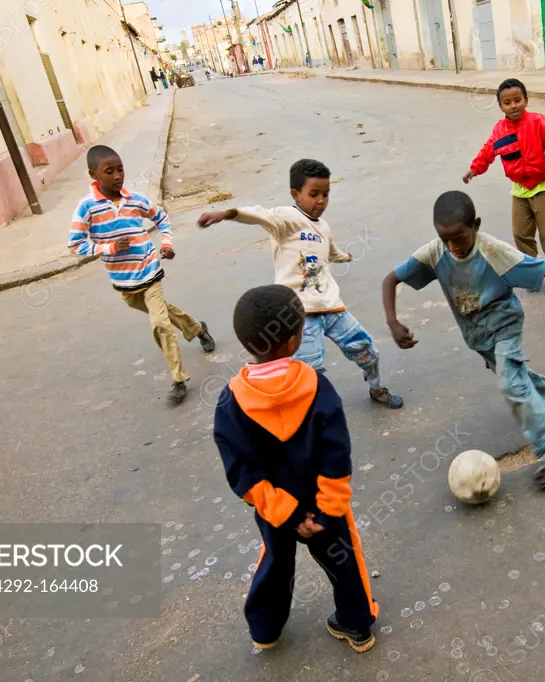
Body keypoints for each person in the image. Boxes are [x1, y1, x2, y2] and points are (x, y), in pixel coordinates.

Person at [381, 191, 545, 488]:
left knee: (511, 383)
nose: (452, 246)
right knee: (515, 374)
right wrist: (392, 321)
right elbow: (391, 279)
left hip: (505, 326)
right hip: (476, 335)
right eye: (444, 238)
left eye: (459, 237)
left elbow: (540, 267)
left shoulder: (492, 251)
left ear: (475, 225)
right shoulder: (435, 252)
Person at [214, 284, 379, 652]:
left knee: (275, 562)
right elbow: (337, 454)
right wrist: (327, 509)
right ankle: (357, 627)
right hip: (324, 506)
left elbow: (240, 473)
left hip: (275, 511)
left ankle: (265, 630)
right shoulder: (317, 386)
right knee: (344, 561)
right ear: (293, 341)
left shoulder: (231, 401)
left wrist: (286, 513)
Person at [197, 159, 403, 409]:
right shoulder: (286, 220)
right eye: (314, 194)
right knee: (310, 371)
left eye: (326, 194)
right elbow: (257, 214)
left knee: (367, 351)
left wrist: (345, 257)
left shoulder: (324, 227)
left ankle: (377, 389)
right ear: (295, 194)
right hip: (301, 315)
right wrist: (225, 214)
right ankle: (311, 416)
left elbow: (331, 251)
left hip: (333, 308)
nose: (321, 201)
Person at [68, 145, 216, 404]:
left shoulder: (135, 200)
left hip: (149, 272)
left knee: (160, 324)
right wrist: (108, 247)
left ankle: (178, 379)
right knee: (165, 313)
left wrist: (167, 243)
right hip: (123, 283)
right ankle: (197, 328)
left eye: (120, 168)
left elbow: (161, 218)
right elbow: (75, 245)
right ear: (94, 175)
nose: (117, 176)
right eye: (109, 171)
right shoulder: (86, 208)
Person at [464, 78, 545, 292]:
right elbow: (488, 151)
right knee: (520, 233)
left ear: (526, 100)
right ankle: (533, 271)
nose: (513, 105)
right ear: (501, 106)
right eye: (507, 102)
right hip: (520, 188)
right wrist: (475, 169)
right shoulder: (499, 131)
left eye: (517, 100)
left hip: (543, 185)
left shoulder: (538, 122)